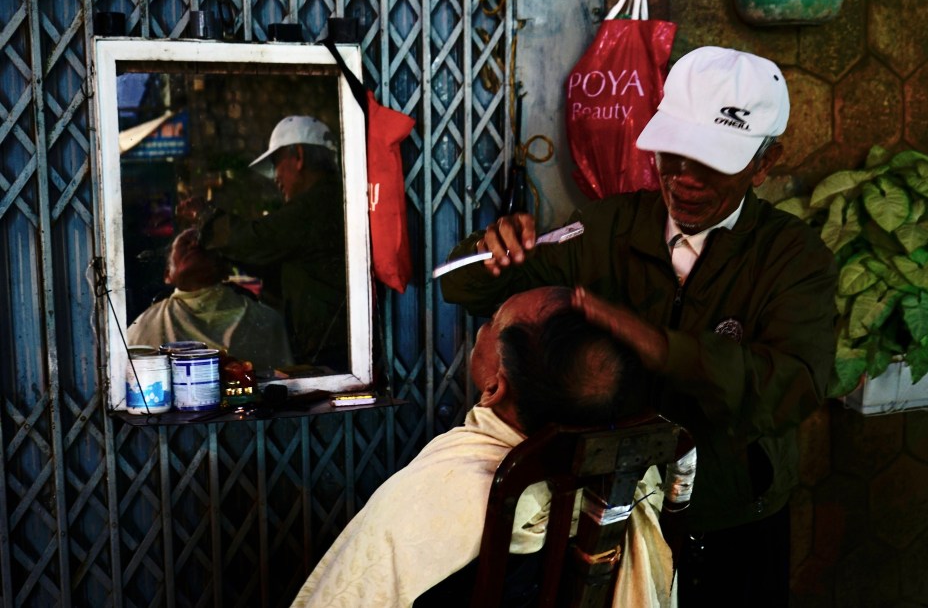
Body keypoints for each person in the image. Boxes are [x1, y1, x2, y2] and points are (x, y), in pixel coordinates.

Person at [440, 46, 840, 606]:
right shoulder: (609, 226)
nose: (686, 179)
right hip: (607, 510)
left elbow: (793, 387)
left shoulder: (793, 259)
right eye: (674, 153)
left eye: (714, 161)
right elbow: (462, 288)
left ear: (764, 163)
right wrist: (488, 254)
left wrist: (659, 345)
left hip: (729, 522)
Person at [290, 286, 676, 608]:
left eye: (493, 321)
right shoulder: (621, 482)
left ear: (493, 388)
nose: (482, 326)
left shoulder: (449, 490)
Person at [184, 115, 348, 369]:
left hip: (331, 351)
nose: (275, 178)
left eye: (276, 164)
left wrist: (204, 217)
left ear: (299, 157)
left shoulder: (314, 207)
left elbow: (256, 241)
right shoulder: (330, 199)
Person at [126, 228, 293, 374]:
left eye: (202, 243)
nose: (194, 245)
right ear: (167, 274)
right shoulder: (145, 326)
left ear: (225, 269)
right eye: (185, 243)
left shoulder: (265, 320)